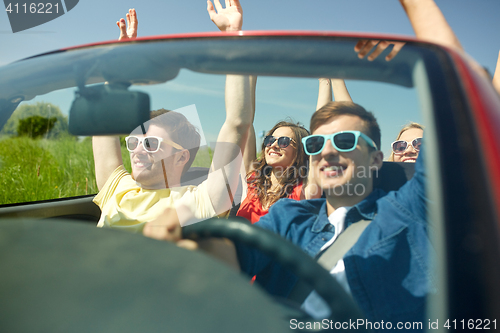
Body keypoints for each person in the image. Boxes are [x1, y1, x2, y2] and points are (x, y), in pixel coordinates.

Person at [92, 9, 253, 232]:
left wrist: (234, 35)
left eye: (150, 144)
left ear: (181, 157)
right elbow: (101, 122)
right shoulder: (119, 188)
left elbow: (237, 123)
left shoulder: (198, 202)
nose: (137, 150)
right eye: (134, 142)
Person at [207, 0, 353, 223]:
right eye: (269, 139)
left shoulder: (306, 189)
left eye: (284, 141)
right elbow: (243, 121)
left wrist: (326, 77)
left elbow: (320, 133)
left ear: (301, 152)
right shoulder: (251, 179)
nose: (273, 144)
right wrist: (249, 66)